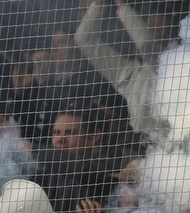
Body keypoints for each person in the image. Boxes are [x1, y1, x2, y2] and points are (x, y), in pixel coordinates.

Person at [74, 0, 180, 135]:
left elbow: (146, 44)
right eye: (143, 26)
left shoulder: (172, 70)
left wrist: (122, 5)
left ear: (169, 42)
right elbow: (84, 39)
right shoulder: (126, 72)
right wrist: (99, 4)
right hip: (139, 145)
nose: (137, 33)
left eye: (150, 31)